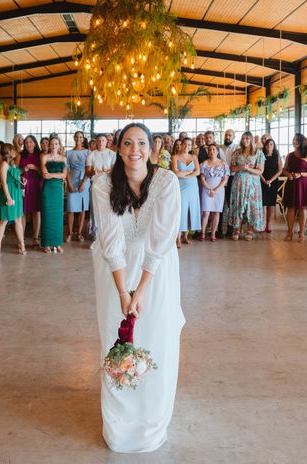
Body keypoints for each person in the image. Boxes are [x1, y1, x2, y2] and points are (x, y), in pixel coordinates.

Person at [91, 122, 183, 453]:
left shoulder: (167, 181)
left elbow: (161, 241)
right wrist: (122, 292)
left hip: (156, 272)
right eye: (128, 143)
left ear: (151, 147)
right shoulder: (102, 183)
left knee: (157, 335)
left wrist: (139, 291)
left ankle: (152, 417)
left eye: (141, 143)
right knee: (117, 338)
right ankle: (120, 424)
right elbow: (111, 241)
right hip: (113, 270)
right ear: (118, 148)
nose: (135, 150)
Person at [225, 131, 265, 241]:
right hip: (238, 183)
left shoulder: (258, 153)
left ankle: (249, 230)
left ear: (251, 139)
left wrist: (248, 169)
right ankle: (237, 229)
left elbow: (260, 171)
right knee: (238, 205)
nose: (245, 140)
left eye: (247, 138)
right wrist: (240, 167)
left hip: (253, 184)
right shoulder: (237, 152)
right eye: (243, 139)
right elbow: (232, 168)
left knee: (251, 206)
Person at [283, 133, 307, 242]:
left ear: (301, 142)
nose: (294, 142)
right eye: (293, 140)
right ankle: (289, 232)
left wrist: (301, 174)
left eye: (297, 140)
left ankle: (301, 233)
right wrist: (288, 175)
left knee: (303, 208)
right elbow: (285, 169)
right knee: (291, 208)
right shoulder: (289, 155)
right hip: (292, 183)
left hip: (303, 184)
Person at [0, 143, 25, 256]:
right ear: (8, 151)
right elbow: (3, 182)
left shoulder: (12, 164)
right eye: (13, 150)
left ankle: (22, 245)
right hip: (8, 194)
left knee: (18, 219)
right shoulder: (3, 164)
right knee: (4, 220)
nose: (15, 152)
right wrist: (8, 196)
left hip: (16, 193)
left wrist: (21, 179)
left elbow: (13, 176)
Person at [171, 137, 201, 247]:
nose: (187, 146)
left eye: (189, 144)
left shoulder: (194, 157)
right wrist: (189, 172)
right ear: (181, 145)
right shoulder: (175, 157)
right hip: (181, 187)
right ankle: (177, 238)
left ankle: (185, 236)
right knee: (181, 211)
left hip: (193, 187)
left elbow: (198, 172)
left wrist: (184, 173)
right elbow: (176, 173)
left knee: (190, 211)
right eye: (185, 144)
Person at [41, 135, 67, 253]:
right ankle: (47, 244)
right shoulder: (44, 157)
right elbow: (44, 175)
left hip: (58, 190)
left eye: (56, 144)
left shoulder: (63, 158)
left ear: (59, 145)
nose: (53, 146)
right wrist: (57, 175)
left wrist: (51, 175)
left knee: (57, 217)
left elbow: (64, 175)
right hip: (48, 189)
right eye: (51, 144)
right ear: (48, 145)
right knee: (47, 216)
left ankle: (57, 243)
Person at [199, 144, 229, 242]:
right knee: (205, 212)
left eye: (213, 149)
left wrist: (216, 190)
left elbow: (225, 179)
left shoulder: (223, 164)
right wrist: (209, 189)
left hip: (219, 190)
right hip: (206, 189)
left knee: (216, 212)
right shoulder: (203, 164)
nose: (211, 151)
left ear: (217, 151)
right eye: (210, 150)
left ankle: (213, 233)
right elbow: (202, 179)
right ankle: (202, 233)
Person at [66, 131, 90, 242]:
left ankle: (80, 233)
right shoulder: (69, 153)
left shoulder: (87, 152)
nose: (78, 138)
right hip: (72, 179)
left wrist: (84, 183)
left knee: (82, 207)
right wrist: (69, 183)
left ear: (83, 138)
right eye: (76, 137)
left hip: (84, 179)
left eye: (80, 137)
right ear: (74, 138)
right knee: (70, 208)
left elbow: (89, 169)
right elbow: (66, 170)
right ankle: (70, 233)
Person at [20, 135, 44, 246]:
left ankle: (35, 238)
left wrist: (35, 167)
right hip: (24, 186)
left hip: (36, 185)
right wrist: (22, 169)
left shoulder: (40, 155)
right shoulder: (21, 155)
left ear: (35, 143)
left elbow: (43, 173)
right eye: (26, 142)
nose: (28, 144)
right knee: (23, 212)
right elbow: (15, 171)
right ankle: (21, 238)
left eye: (30, 142)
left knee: (36, 211)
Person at [260, 138, 283, 234]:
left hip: (273, 182)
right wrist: (264, 180)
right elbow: (258, 169)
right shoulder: (261, 155)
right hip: (262, 181)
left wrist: (270, 180)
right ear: (264, 146)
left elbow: (280, 170)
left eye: (271, 144)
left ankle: (268, 224)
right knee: (263, 204)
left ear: (274, 146)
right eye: (267, 144)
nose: (269, 146)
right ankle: (262, 224)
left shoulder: (277, 156)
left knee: (270, 205)